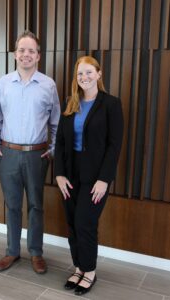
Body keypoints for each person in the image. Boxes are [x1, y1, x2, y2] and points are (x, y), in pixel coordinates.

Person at [0, 30, 60, 274]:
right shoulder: (4, 83)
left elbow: (56, 122)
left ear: (38, 56)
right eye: (22, 50)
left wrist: (51, 150)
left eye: (31, 50)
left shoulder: (48, 85)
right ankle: (11, 251)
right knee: (11, 205)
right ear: (15, 54)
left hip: (36, 156)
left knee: (35, 205)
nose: (26, 54)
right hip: (8, 154)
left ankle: (36, 252)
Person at [54, 56, 123, 295]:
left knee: (85, 222)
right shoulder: (70, 103)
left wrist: (105, 179)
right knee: (73, 223)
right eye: (80, 74)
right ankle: (78, 267)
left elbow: (115, 146)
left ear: (99, 74)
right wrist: (59, 174)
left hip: (96, 176)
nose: (84, 77)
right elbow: (60, 142)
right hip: (70, 173)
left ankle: (90, 271)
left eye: (88, 72)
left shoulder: (111, 104)